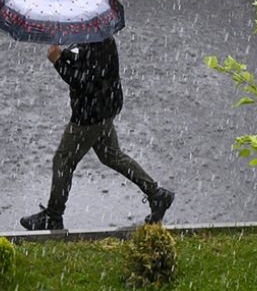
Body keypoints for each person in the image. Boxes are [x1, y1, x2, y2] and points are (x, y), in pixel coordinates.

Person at [20, 36, 174, 230]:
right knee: (111, 155)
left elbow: (83, 81)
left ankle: (53, 215)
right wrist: (64, 54)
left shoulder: (96, 42)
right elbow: (82, 59)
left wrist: (58, 61)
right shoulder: (97, 36)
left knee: (63, 160)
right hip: (103, 108)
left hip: (90, 115)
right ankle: (157, 195)